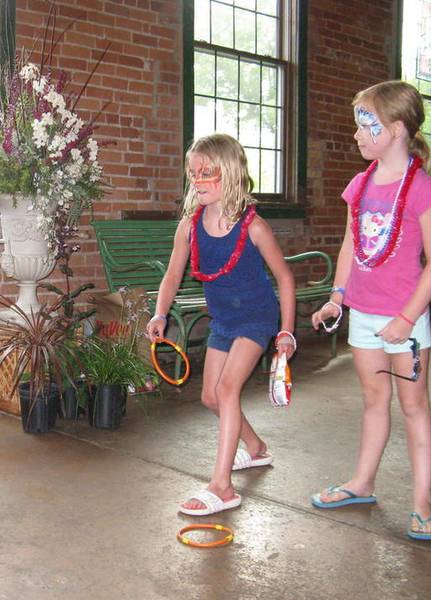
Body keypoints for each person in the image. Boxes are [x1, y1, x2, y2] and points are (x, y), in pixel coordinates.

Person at [310, 81, 431, 541]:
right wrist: (337, 297)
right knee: (373, 401)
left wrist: (407, 319)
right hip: (365, 315)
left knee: (414, 405)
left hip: (405, 319)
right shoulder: (360, 185)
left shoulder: (422, 189)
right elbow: (351, 243)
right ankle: (362, 483)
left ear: (396, 129)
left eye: (366, 124)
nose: (356, 134)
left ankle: (422, 501)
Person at [146, 133, 296, 516]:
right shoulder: (189, 226)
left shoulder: (254, 226)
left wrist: (286, 331)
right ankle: (256, 448)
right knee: (210, 397)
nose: (197, 181)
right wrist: (160, 313)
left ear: (229, 173)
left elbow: (284, 278)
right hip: (224, 319)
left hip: (257, 317)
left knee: (227, 389)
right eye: (193, 173)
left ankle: (222, 486)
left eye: (206, 173)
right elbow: (172, 275)